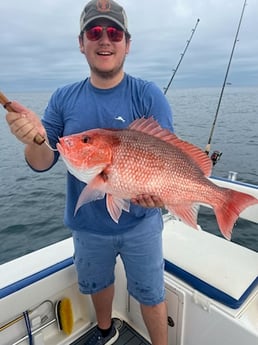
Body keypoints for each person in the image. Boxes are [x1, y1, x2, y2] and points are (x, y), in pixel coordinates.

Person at [6, 0, 173, 344]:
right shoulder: (64, 98)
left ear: (128, 42)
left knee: (152, 294)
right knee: (98, 284)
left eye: (114, 32)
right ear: (81, 42)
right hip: (88, 227)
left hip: (142, 223)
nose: (105, 40)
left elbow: (168, 157)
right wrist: (33, 136)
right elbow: (43, 159)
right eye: (94, 32)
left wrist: (161, 197)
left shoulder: (148, 94)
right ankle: (105, 332)